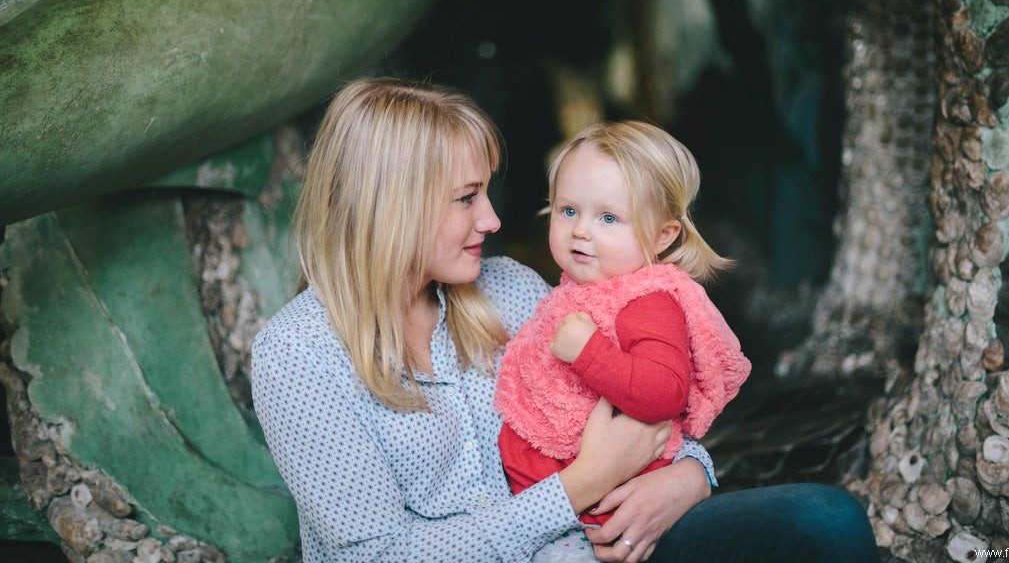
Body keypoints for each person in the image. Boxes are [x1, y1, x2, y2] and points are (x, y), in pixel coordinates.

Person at [251, 76, 881, 563]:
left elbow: (635, 403)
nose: (493, 222)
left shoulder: (517, 291)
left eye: (487, 193)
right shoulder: (297, 353)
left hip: (594, 542)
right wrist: (579, 487)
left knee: (825, 522)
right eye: (467, 198)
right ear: (391, 208)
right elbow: (377, 556)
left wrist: (690, 478)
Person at [494, 120, 751, 551]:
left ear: (662, 235)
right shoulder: (574, 291)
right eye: (568, 210)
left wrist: (588, 353)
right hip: (556, 500)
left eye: (609, 218)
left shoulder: (648, 302)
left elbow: (665, 392)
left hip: (608, 510)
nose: (581, 230)